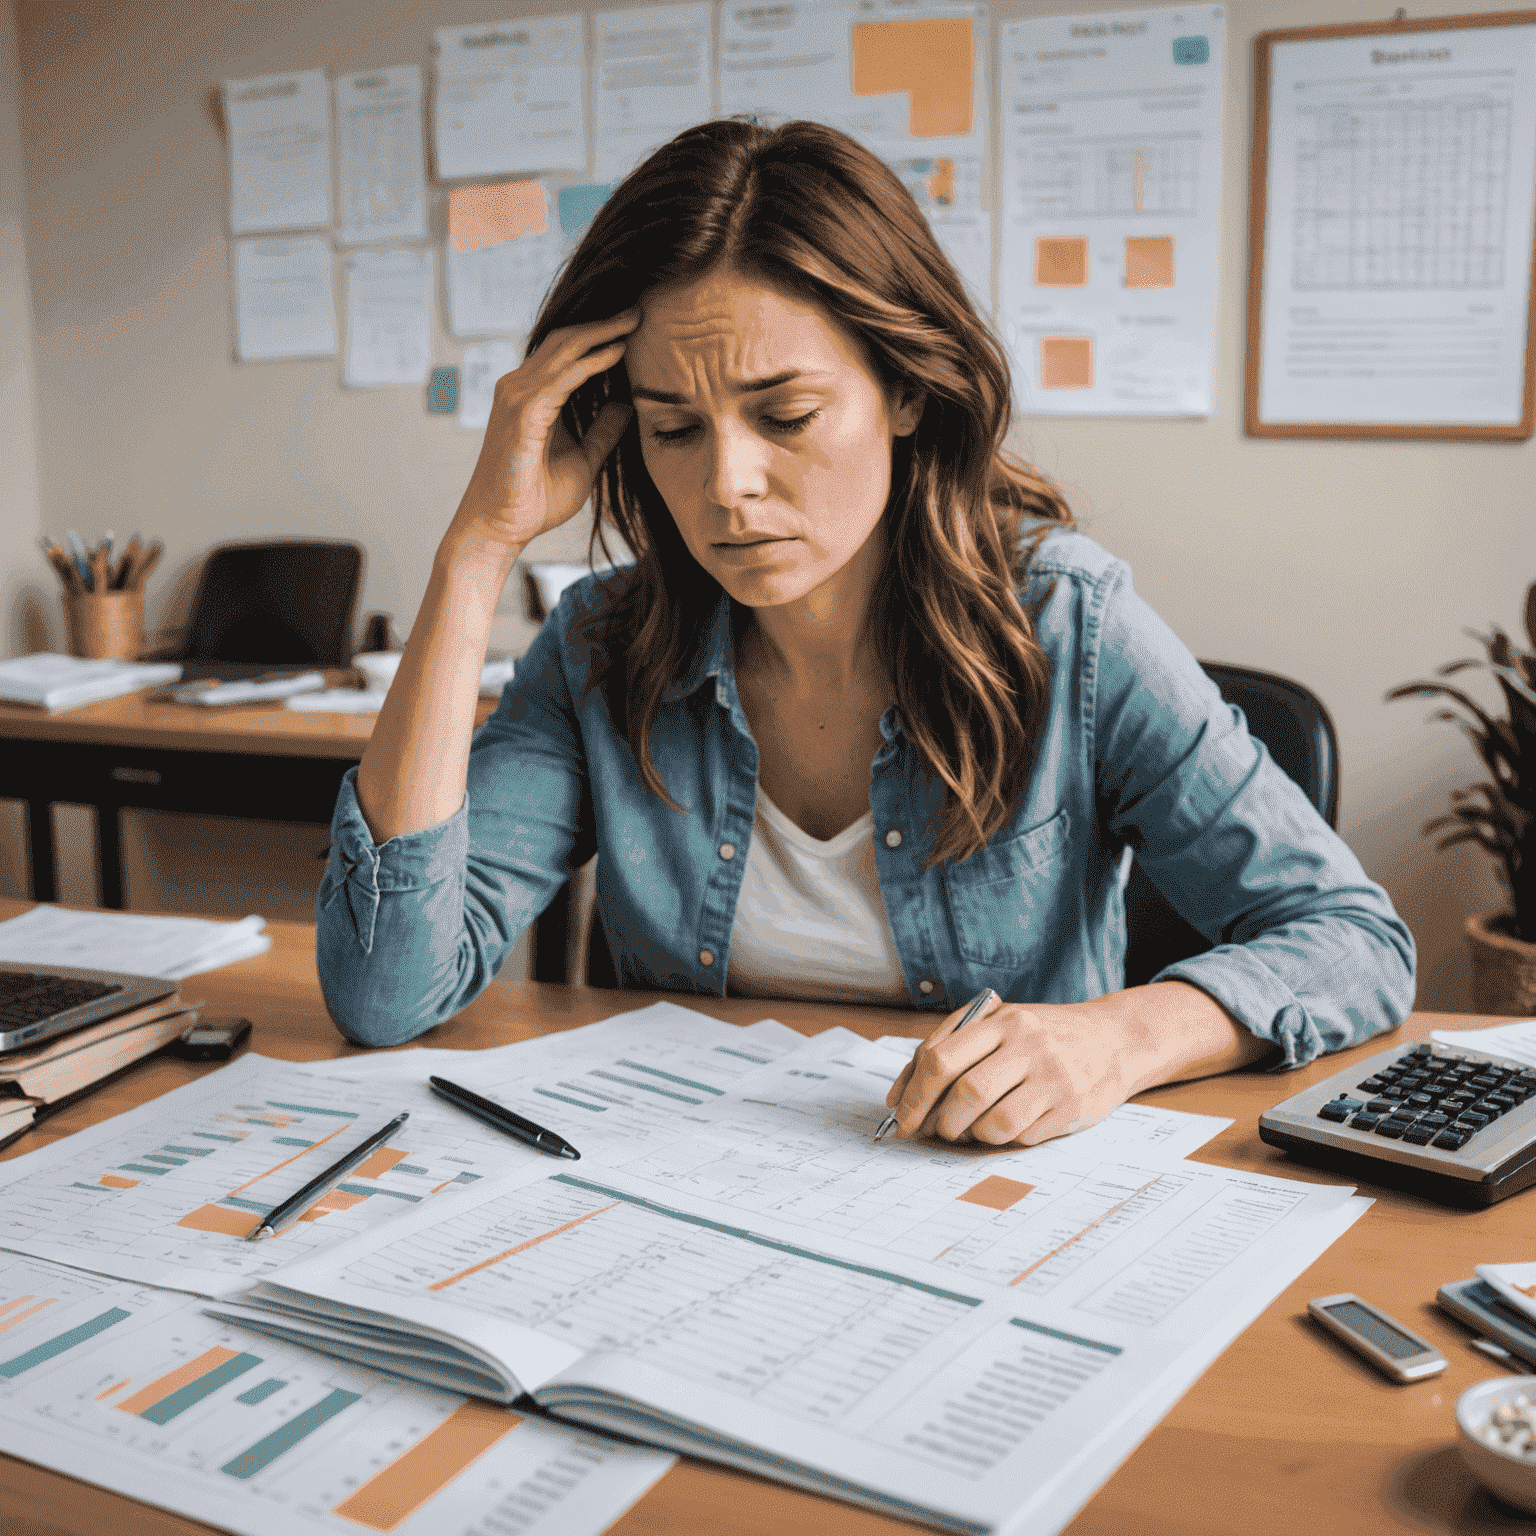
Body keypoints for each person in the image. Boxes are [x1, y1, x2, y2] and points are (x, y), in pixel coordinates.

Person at [318, 118, 1415, 1147]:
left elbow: (1354, 941)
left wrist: (1124, 1037)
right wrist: (476, 550)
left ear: (903, 388)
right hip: (683, 1192)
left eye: (785, 416)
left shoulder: (1071, 629)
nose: (727, 487)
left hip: (997, 1202)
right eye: (672, 429)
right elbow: (386, 994)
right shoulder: (603, 646)